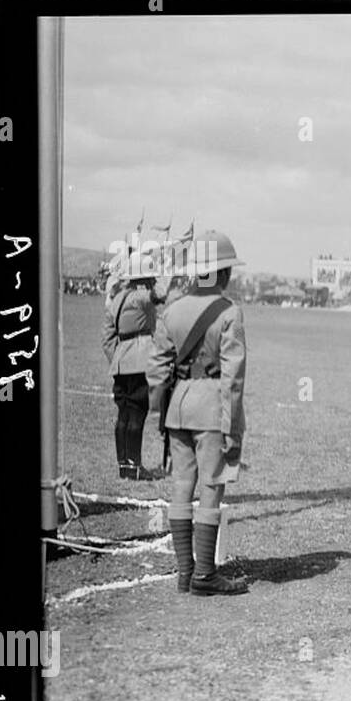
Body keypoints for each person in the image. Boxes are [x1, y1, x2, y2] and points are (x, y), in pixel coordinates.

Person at [147, 230, 249, 595]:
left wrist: (161, 412)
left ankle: (184, 572)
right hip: (211, 407)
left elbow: (157, 370)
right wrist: (232, 426)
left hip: (178, 408)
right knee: (211, 485)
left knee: (181, 485)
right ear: (222, 273)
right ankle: (204, 575)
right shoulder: (230, 312)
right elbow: (233, 378)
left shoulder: (171, 309)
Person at [103, 253, 164, 480]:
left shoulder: (117, 299)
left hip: (121, 364)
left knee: (124, 414)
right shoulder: (141, 297)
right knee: (137, 413)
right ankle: (135, 467)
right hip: (141, 363)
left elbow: (106, 338)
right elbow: (160, 295)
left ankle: (124, 466)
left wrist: (119, 358)